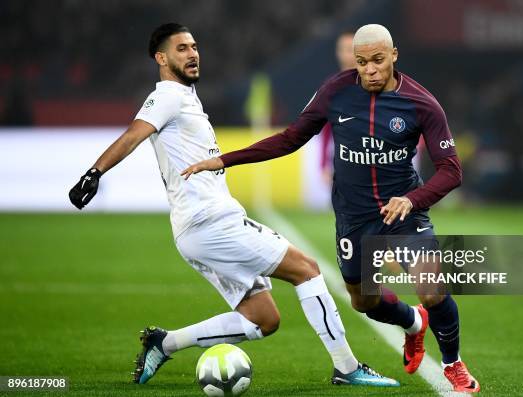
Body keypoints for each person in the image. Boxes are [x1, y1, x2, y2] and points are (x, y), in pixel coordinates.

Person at [67, 23, 399, 388]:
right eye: (181, 49)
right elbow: (134, 133)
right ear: (161, 58)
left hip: (197, 229)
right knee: (306, 269)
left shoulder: (186, 98)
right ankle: (347, 368)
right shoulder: (167, 97)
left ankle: (165, 342)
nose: (192, 53)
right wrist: (94, 173)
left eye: (194, 46)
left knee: (263, 319)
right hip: (210, 222)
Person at [182, 24, 480, 393]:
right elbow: (291, 138)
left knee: (432, 289)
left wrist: (411, 200)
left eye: (377, 61)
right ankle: (413, 324)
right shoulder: (336, 92)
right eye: (361, 62)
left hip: (403, 212)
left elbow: (452, 170)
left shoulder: (422, 104)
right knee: (364, 302)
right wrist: (224, 160)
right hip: (354, 218)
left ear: (394, 56)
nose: (369, 69)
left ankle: (453, 364)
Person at [320, 31, 357, 187]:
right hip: (342, 160)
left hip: (371, 158)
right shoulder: (331, 86)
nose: (346, 54)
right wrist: (323, 164)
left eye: (350, 49)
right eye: (343, 49)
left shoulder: (374, 83)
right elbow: (326, 127)